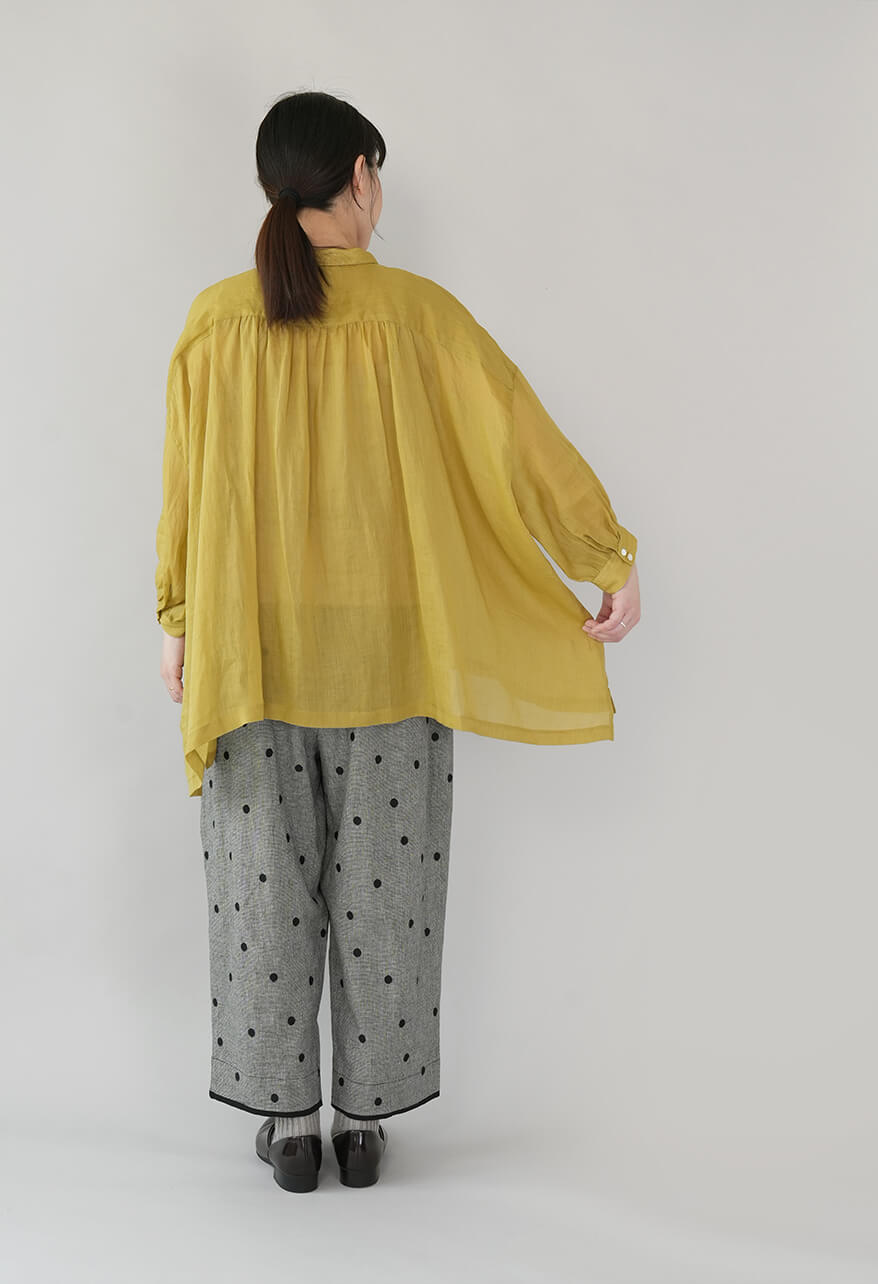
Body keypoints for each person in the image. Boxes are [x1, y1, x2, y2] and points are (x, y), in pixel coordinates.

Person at [153, 90, 640, 1193]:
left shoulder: (214, 322)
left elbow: (182, 492)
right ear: (362, 177)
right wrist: (602, 556)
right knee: (387, 888)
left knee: (261, 883)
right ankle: (365, 1124)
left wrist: (178, 622)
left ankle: (287, 1128)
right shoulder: (421, 316)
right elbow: (521, 441)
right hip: (394, 652)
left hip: (248, 652)